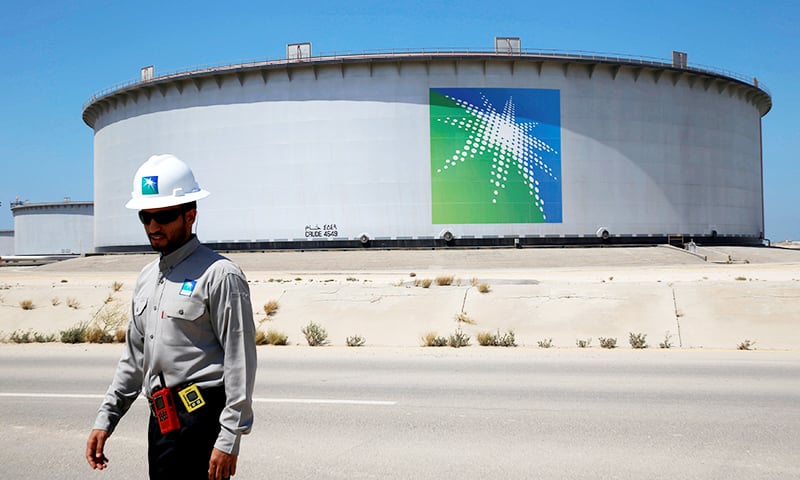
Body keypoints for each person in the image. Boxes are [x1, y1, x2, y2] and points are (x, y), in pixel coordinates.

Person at [85, 154, 257, 480]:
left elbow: (241, 361)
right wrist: (105, 419)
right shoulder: (147, 278)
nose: (153, 226)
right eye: (145, 217)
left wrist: (229, 438)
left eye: (163, 216)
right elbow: (134, 360)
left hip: (202, 421)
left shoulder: (220, 275)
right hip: (162, 420)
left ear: (190, 215)